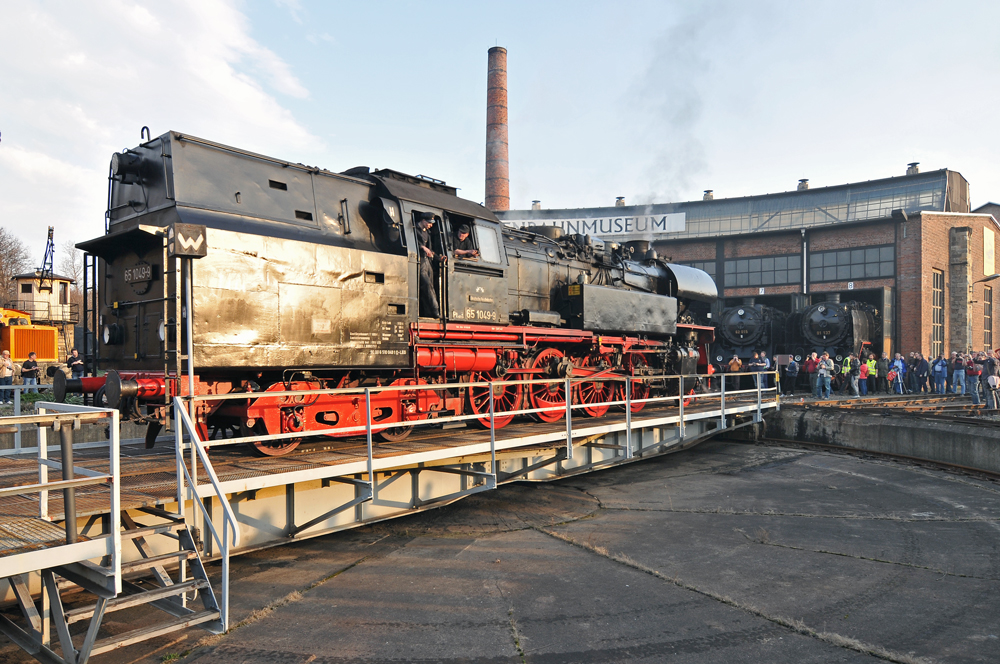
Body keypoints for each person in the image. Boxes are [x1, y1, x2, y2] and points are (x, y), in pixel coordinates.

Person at [415, 213, 444, 318]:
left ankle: (430, 312)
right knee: (426, 284)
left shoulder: (427, 233)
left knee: (431, 285)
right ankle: (435, 310)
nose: (430, 225)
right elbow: (412, 242)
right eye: (429, 223)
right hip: (420, 260)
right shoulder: (414, 229)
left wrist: (438, 257)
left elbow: (430, 249)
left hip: (428, 261)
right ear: (423, 221)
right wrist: (422, 247)